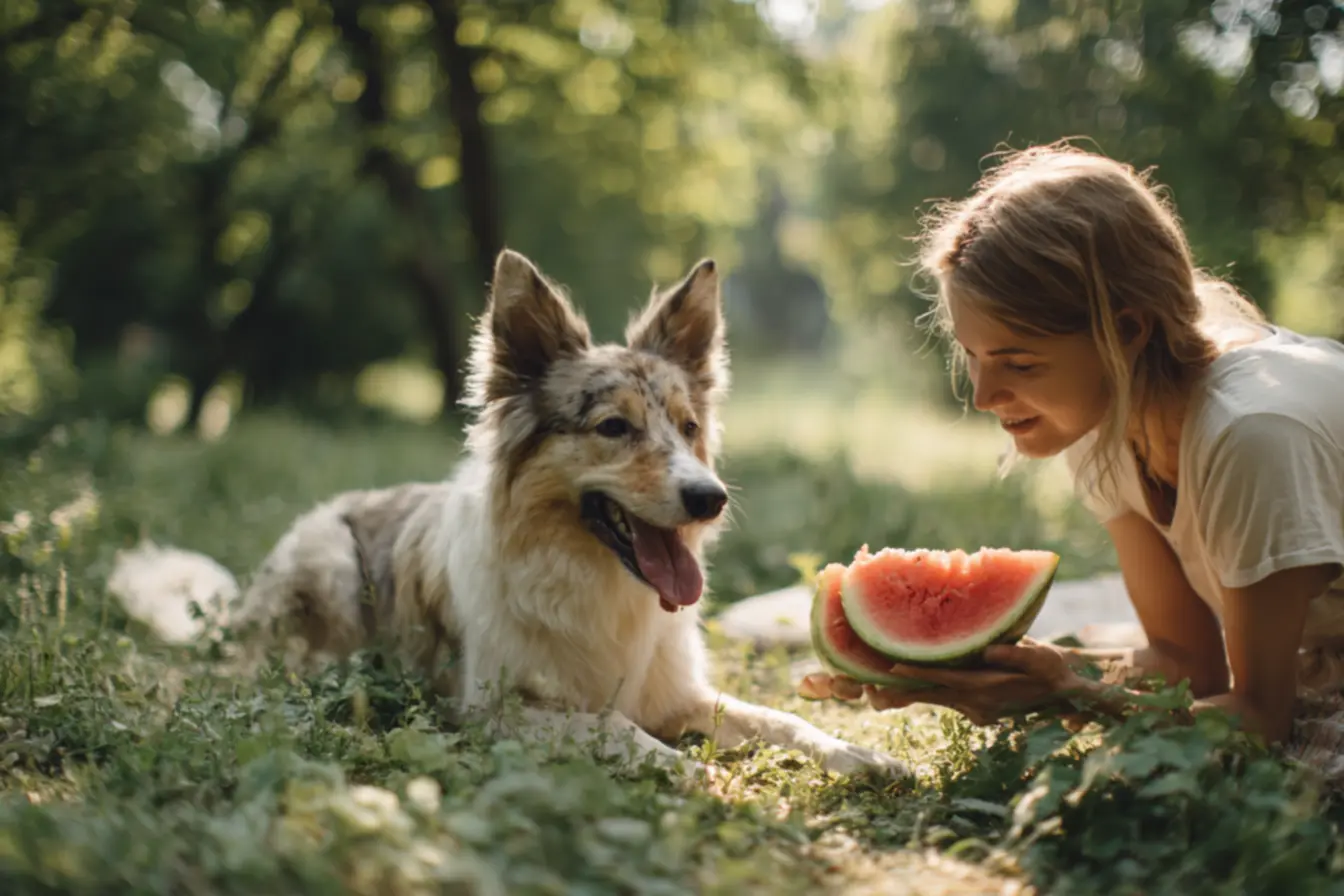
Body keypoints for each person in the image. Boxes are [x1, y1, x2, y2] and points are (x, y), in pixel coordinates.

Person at [798, 141, 1344, 762]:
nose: (982, 396)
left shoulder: (1251, 435)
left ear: (1128, 331)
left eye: (1020, 363)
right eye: (972, 356)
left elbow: (1259, 720)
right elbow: (1186, 665)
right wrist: (952, 664)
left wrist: (1070, 694)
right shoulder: (1105, 420)